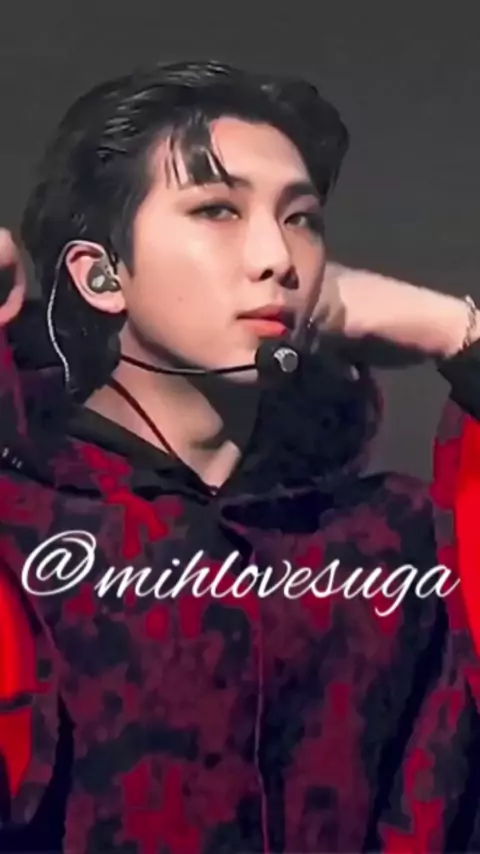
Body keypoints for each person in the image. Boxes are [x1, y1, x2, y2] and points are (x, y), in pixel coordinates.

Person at [0, 59, 478, 854]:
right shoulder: (21, 527)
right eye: (217, 209)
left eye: (302, 219)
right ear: (101, 274)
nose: (278, 258)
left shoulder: (391, 540)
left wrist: (456, 334)